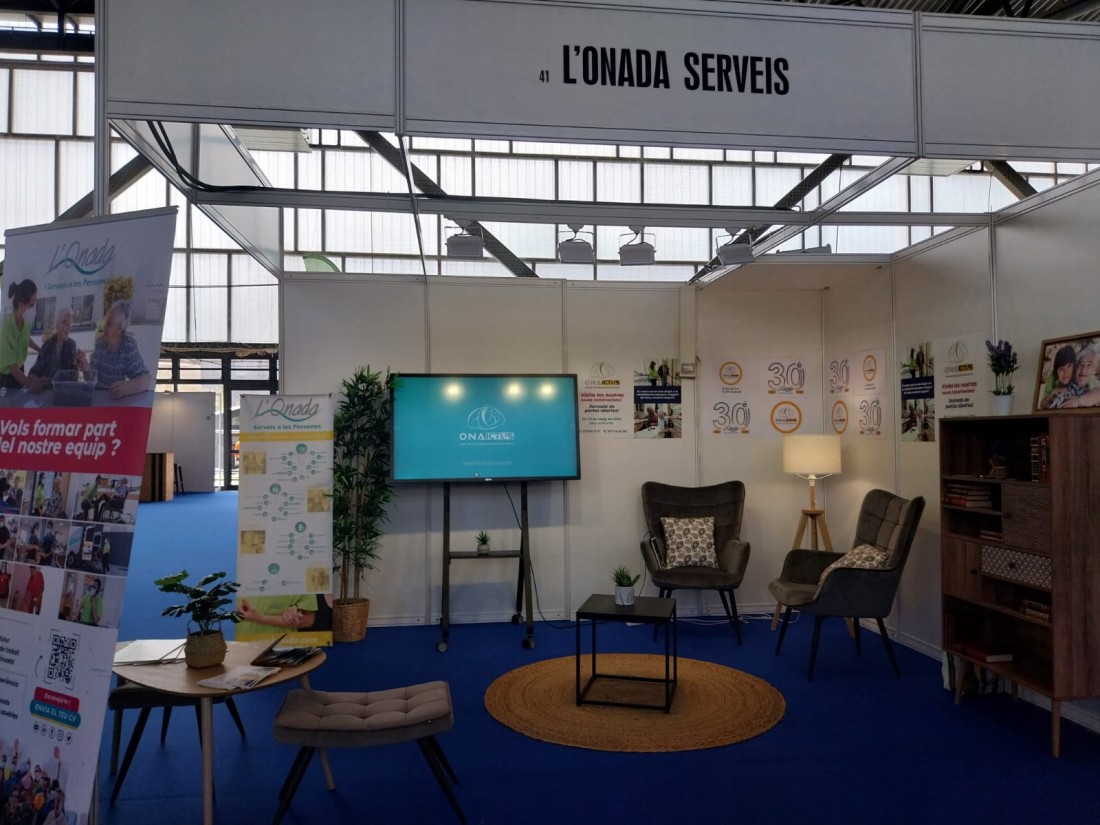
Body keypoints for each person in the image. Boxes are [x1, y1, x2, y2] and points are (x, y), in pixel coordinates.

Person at [90, 299, 152, 398]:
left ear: (119, 330)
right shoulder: (100, 343)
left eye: (109, 324)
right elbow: (91, 377)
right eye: (106, 322)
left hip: (116, 401)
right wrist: (85, 368)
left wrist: (125, 388)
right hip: (98, 397)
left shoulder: (127, 346)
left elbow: (146, 379)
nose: (104, 327)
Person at [0, 278, 43, 391]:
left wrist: (40, 350)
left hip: (19, 369)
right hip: (6, 377)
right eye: (31, 305)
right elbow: (13, 369)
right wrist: (31, 385)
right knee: (10, 401)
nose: (34, 308)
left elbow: (25, 338)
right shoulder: (6, 330)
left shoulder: (26, 324)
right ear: (21, 305)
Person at [28, 306, 84, 388]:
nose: (68, 326)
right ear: (57, 325)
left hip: (64, 391)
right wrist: (38, 381)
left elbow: (74, 378)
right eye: (64, 322)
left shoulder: (72, 345)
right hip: (47, 391)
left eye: (70, 323)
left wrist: (78, 363)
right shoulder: (47, 346)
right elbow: (32, 373)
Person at [237, 593, 319, 635]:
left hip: (277, 646)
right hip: (238, 642)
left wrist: (261, 618)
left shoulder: (299, 573)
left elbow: (308, 620)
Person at [1038, 345, 1079, 409]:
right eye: (1061, 369)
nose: (1065, 373)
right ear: (1056, 371)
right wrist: (1052, 393)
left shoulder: (1080, 373)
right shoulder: (1052, 378)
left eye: (1069, 366)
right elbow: (1042, 405)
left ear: (1074, 366)